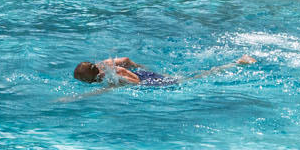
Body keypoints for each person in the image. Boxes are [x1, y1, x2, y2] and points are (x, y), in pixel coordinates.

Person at [71, 55, 255, 88]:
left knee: (194, 78)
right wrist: (145, 69)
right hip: (146, 76)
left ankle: (237, 64)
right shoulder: (104, 64)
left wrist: (121, 83)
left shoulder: (113, 75)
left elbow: (135, 82)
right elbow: (126, 60)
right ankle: (237, 63)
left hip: (149, 82)